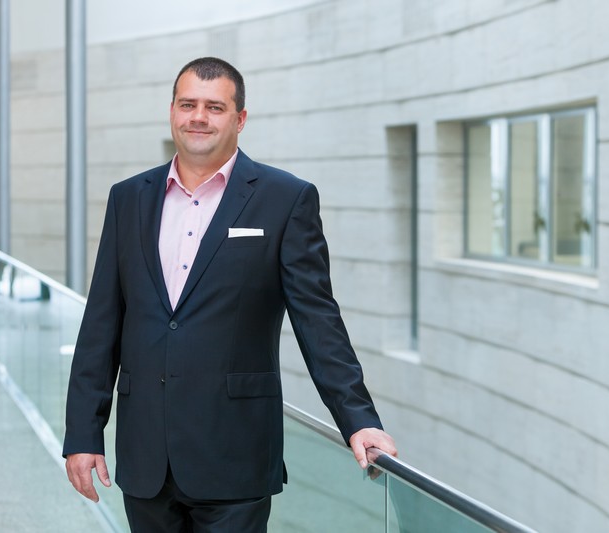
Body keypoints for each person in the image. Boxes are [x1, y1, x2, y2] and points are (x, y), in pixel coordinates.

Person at [63, 57, 397, 532]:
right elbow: (102, 322)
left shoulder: (286, 198)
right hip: (145, 454)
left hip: (236, 453)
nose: (198, 117)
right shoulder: (128, 198)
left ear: (239, 119)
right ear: (172, 112)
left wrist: (358, 419)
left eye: (214, 107)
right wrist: (83, 432)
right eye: (187, 105)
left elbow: (318, 319)